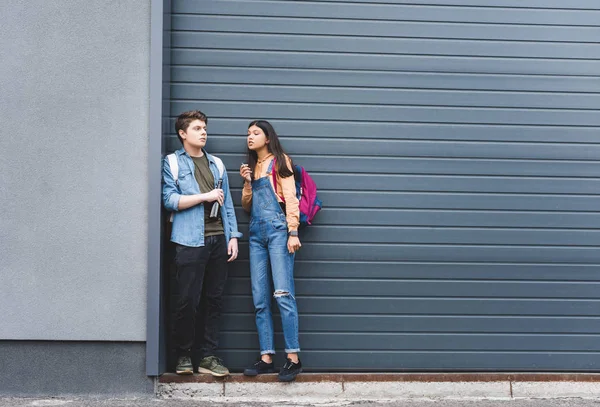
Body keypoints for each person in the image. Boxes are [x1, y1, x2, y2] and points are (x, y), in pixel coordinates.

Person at [162, 110, 242, 376]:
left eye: (205, 127)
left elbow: (227, 203)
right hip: (188, 241)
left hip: (218, 239)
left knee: (214, 300)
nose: (203, 132)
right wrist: (203, 196)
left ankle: (208, 356)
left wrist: (232, 237)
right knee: (187, 300)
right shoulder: (173, 162)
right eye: (197, 128)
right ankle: (183, 355)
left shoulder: (216, 164)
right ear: (183, 133)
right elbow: (170, 200)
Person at [239, 120, 303, 382]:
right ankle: (266, 357)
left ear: (267, 137)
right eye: (248, 133)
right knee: (260, 298)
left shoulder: (280, 160)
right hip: (256, 234)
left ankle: (293, 358)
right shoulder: (253, 167)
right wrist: (247, 183)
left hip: (278, 231)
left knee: (283, 294)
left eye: (255, 133)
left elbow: (290, 197)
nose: (250, 137)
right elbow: (246, 206)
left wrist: (293, 231)